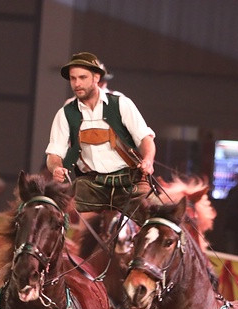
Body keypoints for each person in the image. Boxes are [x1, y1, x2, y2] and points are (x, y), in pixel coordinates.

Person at [44, 51, 156, 223]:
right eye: (73, 79)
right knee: (48, 216)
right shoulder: (65, 113)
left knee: (158, 223)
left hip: (129, 183)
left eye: (82, 77)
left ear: (96, 78)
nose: (76, 83)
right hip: (91, 185)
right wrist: (56, 168)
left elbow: (145, 139)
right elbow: (54, 154)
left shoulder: (121, 104)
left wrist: (148, 160)